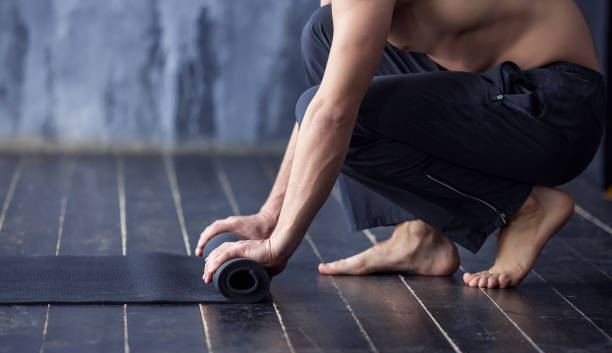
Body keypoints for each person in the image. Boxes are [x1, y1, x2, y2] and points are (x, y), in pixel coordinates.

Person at [195, 0, 605, 289]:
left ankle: (523, 206)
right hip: (502, 90)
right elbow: (331, 91)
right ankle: (421, 237)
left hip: (557, 113)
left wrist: (276, 246)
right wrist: (269, 215)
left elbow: (334, 114)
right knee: (325, 33)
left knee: (344, 116)